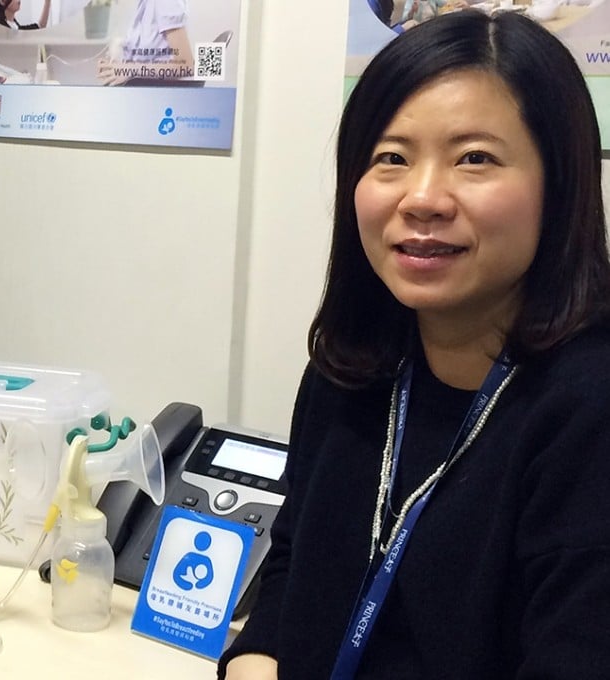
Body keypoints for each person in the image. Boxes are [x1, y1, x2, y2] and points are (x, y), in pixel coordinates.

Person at [220, 10, 610, 680]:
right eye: (392, 158)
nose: (423, 198)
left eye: (475, 158)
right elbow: (291, 565)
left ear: (560, 182)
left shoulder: (589, 407)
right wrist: (251, 662)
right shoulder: (351, 365)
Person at [98, 0, 194, 85]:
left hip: (164, 95)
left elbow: (186, 66)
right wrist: (115, 67)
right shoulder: (144, 4)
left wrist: (130, 70)